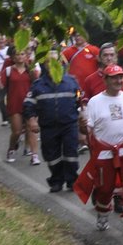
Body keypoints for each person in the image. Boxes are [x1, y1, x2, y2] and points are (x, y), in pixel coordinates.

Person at [75, 65, 123, 233]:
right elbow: (87, 132)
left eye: (120, 77)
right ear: (105, 80)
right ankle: (102, 213)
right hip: (104, 153)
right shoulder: (94, 102)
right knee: (104, 188)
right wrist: (82, 126)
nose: (118, 80)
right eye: (114, 77)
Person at [24, 56, 81, 191]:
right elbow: (28, 104)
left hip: (69, 125)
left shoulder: (72, 82)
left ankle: (72, 180)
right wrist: (32, 120)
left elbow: (81, 102)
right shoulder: (38, 85)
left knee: (71, 153)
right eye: (49, 61)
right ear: (45, 65)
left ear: (62, 64)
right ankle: (56, 180)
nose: (53, 64)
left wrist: (83, 125)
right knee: (51, 155)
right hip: (48, 127)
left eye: (57, 61)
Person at [3, 45, 38, 164]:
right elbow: (1, 85)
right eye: (17, 54)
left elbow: (37, 84)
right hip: (14, 104)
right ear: (13, 57)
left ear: (26, 56)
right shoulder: (8, 71)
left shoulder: (30, 70)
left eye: (22, 54)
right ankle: (11, 149)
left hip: (29, 104)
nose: (20, 56)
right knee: (17, 131)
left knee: (30, 128)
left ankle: (33, 153)